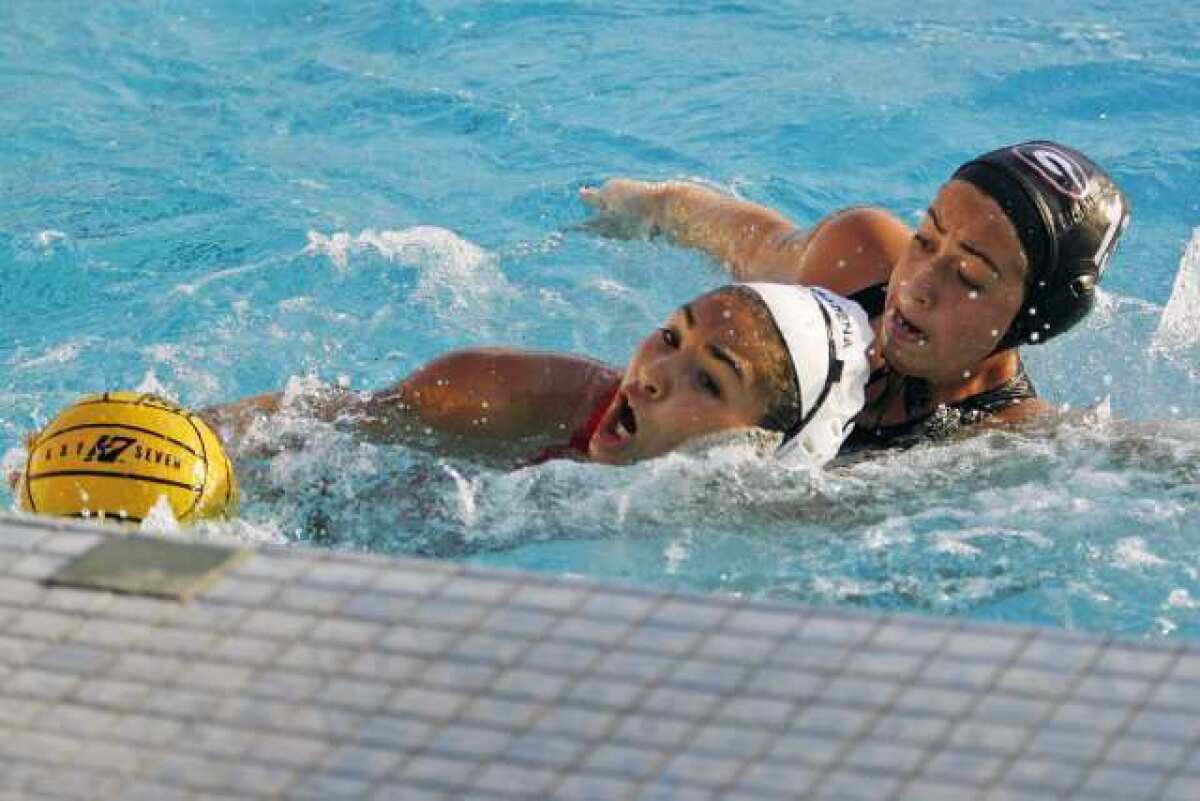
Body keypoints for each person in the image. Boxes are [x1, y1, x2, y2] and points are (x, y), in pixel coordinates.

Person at [580, 141, 1131, 451]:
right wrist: (647, 205)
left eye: (968, 275)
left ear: (1033, 319)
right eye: (925, 238)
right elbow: (746, 239)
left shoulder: (1000, 439)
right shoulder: (857, 263)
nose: (915, 283)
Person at [203, 283, 873, 468]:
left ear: (763, 442)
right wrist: (188, 437)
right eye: (671, 335)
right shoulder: (510, 392)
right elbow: (315, 419)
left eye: (709, 380)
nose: (651, 375)